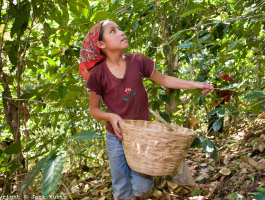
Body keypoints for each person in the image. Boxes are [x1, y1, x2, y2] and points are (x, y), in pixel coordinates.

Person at [79, 19, 214, 200]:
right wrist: (110, 116)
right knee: (120, 186)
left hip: (144, 136)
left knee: (143, 186)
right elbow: (94, 110)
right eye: (113, 31)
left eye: (120, 28)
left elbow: (165, 80)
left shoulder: (137, 60)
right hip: (116, 137)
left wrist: (197, 84)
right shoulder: (98, 74)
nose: (121, 32)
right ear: (101, 44)